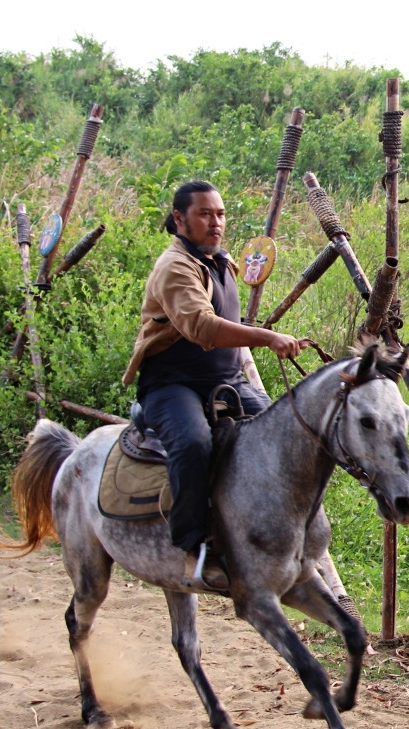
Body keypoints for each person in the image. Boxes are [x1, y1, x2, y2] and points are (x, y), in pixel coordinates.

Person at [122, 180, 303, 583]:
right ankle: (192, 546)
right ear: (179, 218)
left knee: (286, 432)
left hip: (225, 381)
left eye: (219, 214)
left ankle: (272, 531)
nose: (215, 222)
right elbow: (202, 327)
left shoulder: (220, 261)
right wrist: (268, 337)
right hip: (173, 385)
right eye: (204, 214)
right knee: (192, 444)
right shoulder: (174, 267)